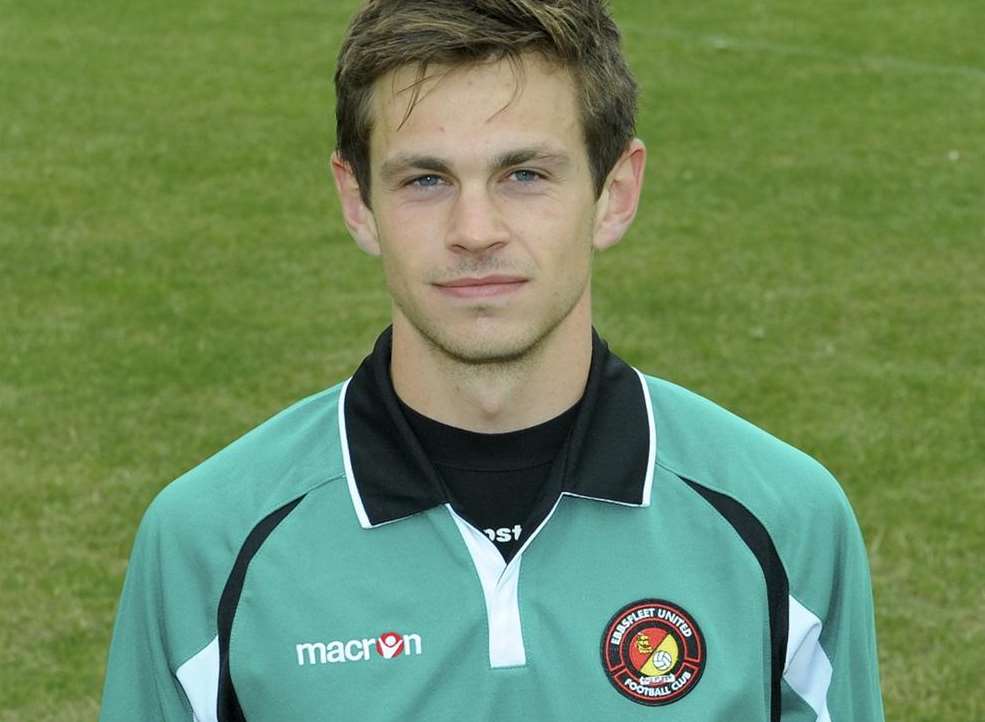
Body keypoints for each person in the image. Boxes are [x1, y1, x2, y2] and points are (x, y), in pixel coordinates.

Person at [99, 1, 884, 720]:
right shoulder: (209, 540)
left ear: (614, 192)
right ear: (357, 202)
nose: (475, 229)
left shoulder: (783, 519)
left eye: (524, 175)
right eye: (426, 179)